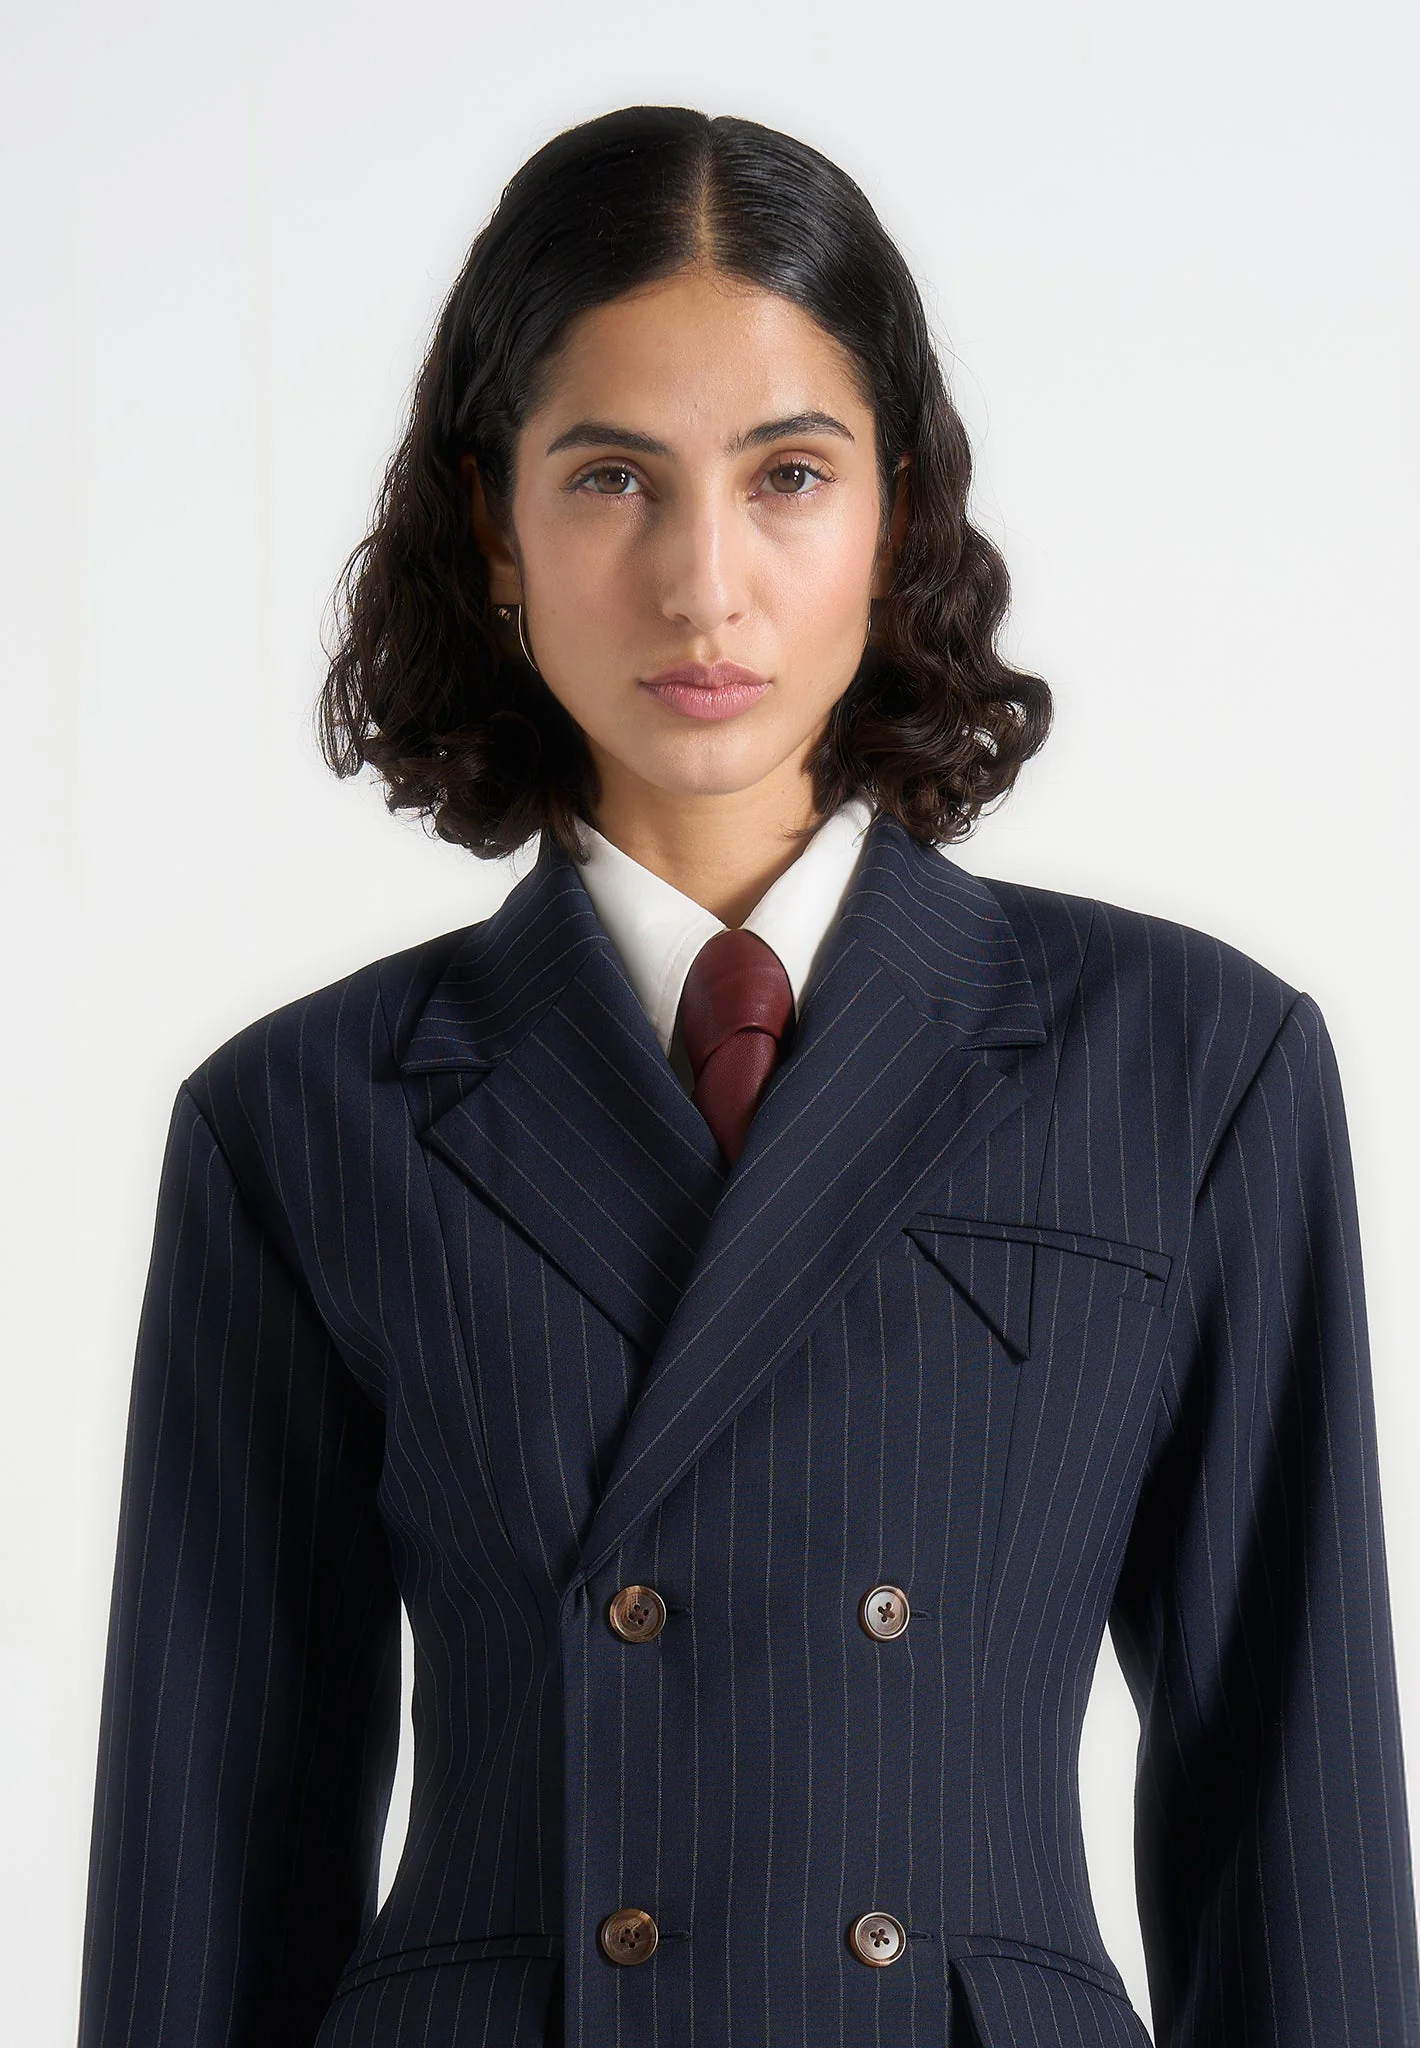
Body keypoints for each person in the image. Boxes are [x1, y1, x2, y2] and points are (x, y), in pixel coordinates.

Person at [77, 104, 1419, 2048]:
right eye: (611, 477)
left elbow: (1293, 1832)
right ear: (495, 527)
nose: (701, 583)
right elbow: (206, 1869)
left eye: (787, 473)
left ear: (895, 513)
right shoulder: (301, 1117)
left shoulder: (1191, 1066)